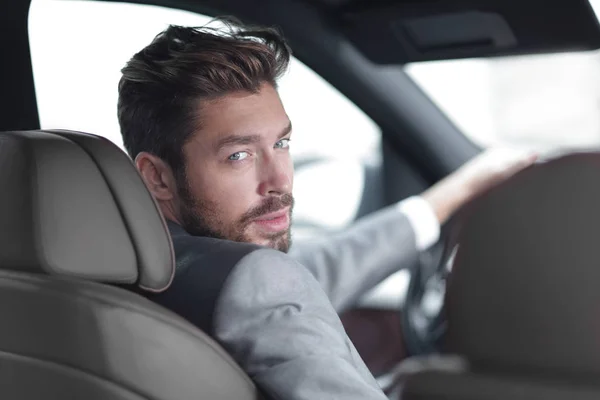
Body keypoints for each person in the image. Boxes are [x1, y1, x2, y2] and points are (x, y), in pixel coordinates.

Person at [117, 21, 536, 400]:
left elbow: (300, 277)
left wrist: (451, 195)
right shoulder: (252, 282)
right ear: (157, 177)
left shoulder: (133, 268)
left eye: (281, 144)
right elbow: (268, 289)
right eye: (240, 155)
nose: (279, 181)